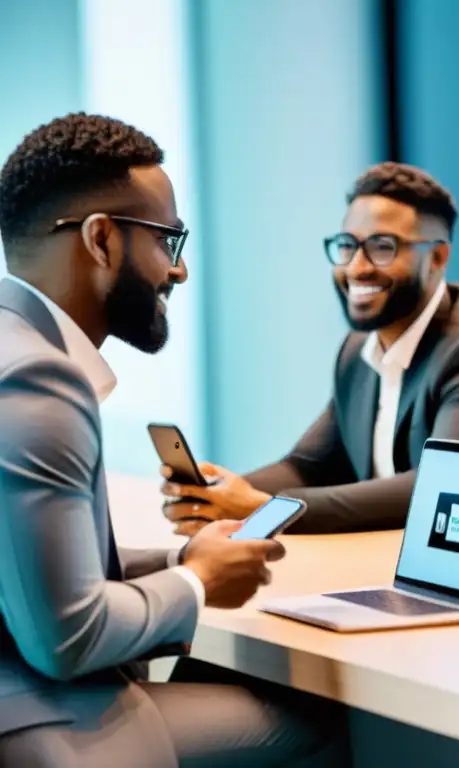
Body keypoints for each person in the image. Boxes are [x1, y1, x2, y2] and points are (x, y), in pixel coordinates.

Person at [0, 113, 347, 766]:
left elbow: (25, 571)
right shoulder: (39, 379)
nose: (178, 272)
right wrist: (194, 585)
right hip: (37, 721)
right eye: (168, 241)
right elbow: (65, 637)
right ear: (101, 240)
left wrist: (179, 563)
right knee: (322, 717)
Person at [161, 162, 459, 535]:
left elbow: (442, 487)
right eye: (348, 245)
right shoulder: (358, 349)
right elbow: (308, 466)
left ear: (437, 258)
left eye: (383, 247)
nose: (357, 267)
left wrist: (266, 510)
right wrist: (219, 494)